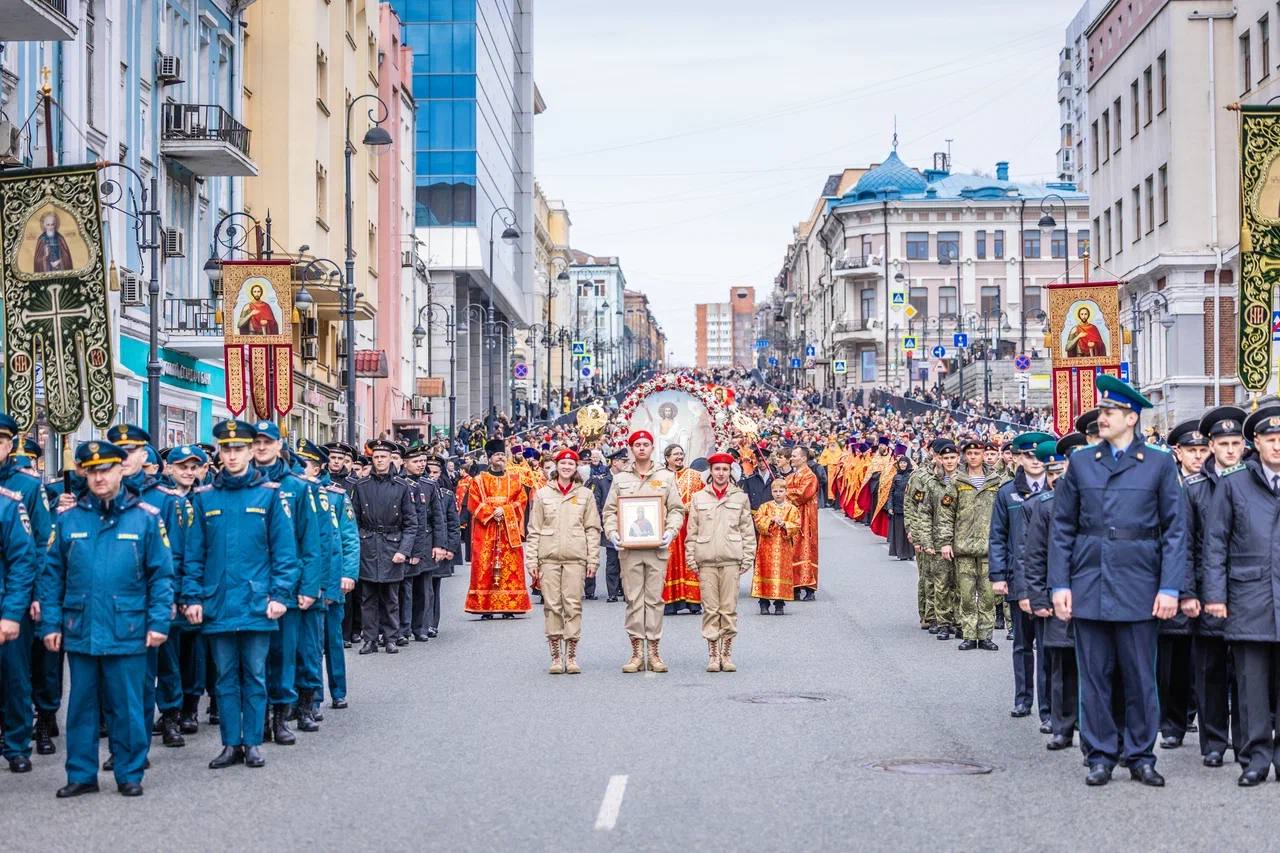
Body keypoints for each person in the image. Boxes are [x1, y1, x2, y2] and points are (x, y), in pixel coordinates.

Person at [1049, 375, 1187, 787]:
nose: (1101, 417)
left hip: (1140, 584)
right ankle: (1100, 754)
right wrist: (1060, 585)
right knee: (1094, 676)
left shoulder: (1159, 464)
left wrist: (1169, 587)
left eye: (1109, 412)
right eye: (1102, 411)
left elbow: (1175, 531)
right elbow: (1063, 529)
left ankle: (1141, 755)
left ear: (1131, 417)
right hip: (1090, 580)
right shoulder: (1083, 462)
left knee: (1141, 676)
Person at [38, 440, 173, 798]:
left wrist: (159, 622)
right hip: (80, 628)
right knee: (80, 707)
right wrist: (50, 624)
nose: (99, 477)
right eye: (92, 470)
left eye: (106, 469)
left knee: (127, 706)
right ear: (84, 473)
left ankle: (129, 772)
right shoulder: (68, 519)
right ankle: (81, 774)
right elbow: (52, 576)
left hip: (128, 628)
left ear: (120, 470)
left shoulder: (145, 517)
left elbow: (161, 575)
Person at [181, 420, 300, 770]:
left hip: (257, 603)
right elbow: (193, 554)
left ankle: (252, 742)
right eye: (226, 448)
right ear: (219, 452)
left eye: (238, 448)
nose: (232, 455)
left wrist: (280, 594)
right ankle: (230, 743)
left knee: (256, 674)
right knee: (224, 677)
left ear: (250, 452)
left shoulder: (270, 495)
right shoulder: (205, 499)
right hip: (217, 603)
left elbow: (284, 553)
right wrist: (192, 598)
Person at [1202, 405, 1280, 785]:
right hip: (1250, 597)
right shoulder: (1235, 484)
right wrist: (1215, 595)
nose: (1278, 446)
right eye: (1270, 439)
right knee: (1251, 686)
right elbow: (1215, 545)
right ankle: (1255, 758)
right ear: (1257, 444)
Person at [249, 421, 322, 744]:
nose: (261, 447)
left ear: (280, 445)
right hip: (252, 586)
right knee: (253, 660)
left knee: (283, 655)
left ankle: (281, 718)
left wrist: (309, 587)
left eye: (268, 442)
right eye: (257, 442)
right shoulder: (242, 483)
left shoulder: (297, 487)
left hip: (289, 586)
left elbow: (310, 542)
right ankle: (258, 720)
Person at [1181, 405, 1246, 767]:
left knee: (1247, 672)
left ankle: (1245, 739)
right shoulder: (1193, 489)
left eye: (1236, 442)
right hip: (1206, 592)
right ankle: (1214, 743)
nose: (1231, 450)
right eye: (1223, 443)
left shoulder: (1253, 481)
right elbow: (1185, 546)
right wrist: (1188, 592)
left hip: (1246, 590)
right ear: (1210, 447)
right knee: (1209, 672)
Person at [1018, 434, 1085, 751]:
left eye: (1064, 471)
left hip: (1090, 594)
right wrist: (1039, 598)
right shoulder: (1044, 506)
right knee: (1061, 665)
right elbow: (1034, 557)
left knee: (1095, 667)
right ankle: (1062, 726)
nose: (1059, 478)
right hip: (1056, 596)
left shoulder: (1094, 500)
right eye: (1054, 473)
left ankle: (1092, 728)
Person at [603, 430, 685, 673]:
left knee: (655, 600)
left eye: (645, 444)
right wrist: (613, 533)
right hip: (629, 551)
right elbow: (609, 512)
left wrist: (670, 531)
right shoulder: (620, 479)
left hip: (656, 549)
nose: (641, 448)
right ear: (631, 448)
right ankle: (637, 652)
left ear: (652, 448)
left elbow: (676, 509)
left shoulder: (665, 477)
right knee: (633, 600)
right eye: (637, 444)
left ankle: (654, 651)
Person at [988, 430, 1053, 720]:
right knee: (1023, 644)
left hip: (1050, 578)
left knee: (1050, 646)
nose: (1035, 461)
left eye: (1039, 456)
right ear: (1018, 458)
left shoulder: (1057, 487)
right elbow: (998, 537)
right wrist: (998, 575)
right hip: (1018, 577)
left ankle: (1048, 706)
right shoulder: (1007, 492)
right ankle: (1023, 699)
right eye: (1028, 455)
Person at [0, 412, 51, 772]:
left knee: (15, 676)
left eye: (1, 441)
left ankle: (17, 743)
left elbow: (40, 545)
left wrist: (36, 595)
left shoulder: (25, 488)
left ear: (9, 445)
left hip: (11, 597)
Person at [524, 449, 601, 674]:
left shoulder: (585, 494)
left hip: (576, 557)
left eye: (571, 463)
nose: (567, 467)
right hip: (548, 557)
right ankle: (556, 656)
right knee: (552, 606)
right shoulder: (542, 494)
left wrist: (593, 559)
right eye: (563, 463)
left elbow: (592, 529)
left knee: (573, 605)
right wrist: (531, 561)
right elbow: (534, 529)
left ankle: (572, 654)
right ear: (556, 466)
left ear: (576, 467)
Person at [1156, 419, 1207, 750]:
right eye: (1192, 450)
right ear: (1178, 452)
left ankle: (1200, 714)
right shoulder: (1167, 485)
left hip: (1209, 581)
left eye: (1203, 450)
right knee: (1172, 658)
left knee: (1206, 658)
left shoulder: (1217, 483)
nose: (1199, 456)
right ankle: (1173, 720)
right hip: (1174, 579)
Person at [685, 453, 756, 672]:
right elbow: (692, 531)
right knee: (710, 608)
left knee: (729, 608)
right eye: (717, 469)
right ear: (711, 472)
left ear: (730, 472)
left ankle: (727, 653)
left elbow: (747, 530)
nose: (721, 473)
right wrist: (691, 557)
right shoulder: (699, 498)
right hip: (706, 559)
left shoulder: (740, 497)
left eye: (725, 469)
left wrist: (748, 557)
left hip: (731, 559)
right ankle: (713, 654)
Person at [350, 439, 419, 652]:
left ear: (391, 459)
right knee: (368, 596)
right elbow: (353, 520)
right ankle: (370, 639)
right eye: (376, 457)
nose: (379, 461)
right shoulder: (361, 486)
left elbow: (411, 523)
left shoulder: (402, 486)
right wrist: (360, 543)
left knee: (391, 597)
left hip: (392, 545)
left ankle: (391, 637)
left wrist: (403, 551)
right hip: (368, 545)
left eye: (383, 457)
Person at [937, 438, 1001, 652]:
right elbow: (946, 515)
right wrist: (945, 542)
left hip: (988, 547)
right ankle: (969, 634)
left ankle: (985, 636)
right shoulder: (956, 481)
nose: (973, 457)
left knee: (988, 596)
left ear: (984, 455)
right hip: (962, 547)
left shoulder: (996, 481)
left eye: (978, 453)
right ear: (965, 455)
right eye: (970, 453)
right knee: (965, 596)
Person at [463, 439, 531, 618]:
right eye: (497, 455)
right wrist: (493, 512)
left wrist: (506, 510)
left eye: (502, 455)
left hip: (508, 530)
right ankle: (485, 607)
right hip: (486, 530)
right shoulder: (479, 480)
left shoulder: (515, 479)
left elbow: (522, 500)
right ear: (489, 458)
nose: (500, 458)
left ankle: (510, 606)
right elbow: (473, 503)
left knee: (511, 566)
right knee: (485, 564)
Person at [662, 444, 704, 616]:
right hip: (668, 527)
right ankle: (670, 601)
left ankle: (693, 601)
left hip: (689, 526)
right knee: (669, 562)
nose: (679, 457)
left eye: (681, 454)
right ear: (667, 458)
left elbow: (703, 497)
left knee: (690, 561)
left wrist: (691, 506)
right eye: (675, 454)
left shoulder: (694, 476)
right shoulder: (660, 477)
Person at [423, 456, 460, 638]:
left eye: (435, 472)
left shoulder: (446, 495)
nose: (431, 476)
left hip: (440, 545)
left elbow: (452, 523)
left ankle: (431, 622)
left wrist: (451, 548)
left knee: (434, 586)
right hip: (422, 545)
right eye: (428, 471)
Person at [751, 477, 799, 615]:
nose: (778, 494)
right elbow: (758, 521)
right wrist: (770, 520)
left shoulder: (792, 508)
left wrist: (785, 524)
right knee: (765, 571)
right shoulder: (765, 507)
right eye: (775, 491)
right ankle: (763, 602)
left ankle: (779, 603)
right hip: (766, 547)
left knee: (781, 573)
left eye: (781, 491)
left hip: (783, 547)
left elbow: (796, 525)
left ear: (786, 491)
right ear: (771, 492)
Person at [587, 448, 625, 602]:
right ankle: (613, 592)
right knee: (612, 560)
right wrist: (600, 522)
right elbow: (596, 502)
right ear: (615, 462)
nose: (625, 464)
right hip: (611, 523)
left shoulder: (628, 479)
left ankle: (626, 589)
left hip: (628, 524)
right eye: (623, 461)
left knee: (626, 560)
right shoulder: (602, 480)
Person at [786, 445, 820, 600]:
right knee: (793, 550)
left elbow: (802, 495)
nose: (791, 458)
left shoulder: (810, 476)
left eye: (794, 456)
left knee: (805, 548)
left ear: (804, 458)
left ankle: (809, 587)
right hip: (792, 517)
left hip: (806, 518)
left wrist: (785, 492)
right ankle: (795, 586)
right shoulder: (792, 476)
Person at [886, 452, 913, 560]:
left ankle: (910, 553)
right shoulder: (896, 476)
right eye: (901, 463)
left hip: (908, 507)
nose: (902, 465)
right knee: (899, 531)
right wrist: (890, 506)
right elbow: (891, 492)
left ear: (908, 464)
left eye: (904, 463)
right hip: (897, 508)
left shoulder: (911, 475)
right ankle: (901, 553)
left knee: (908, 531)